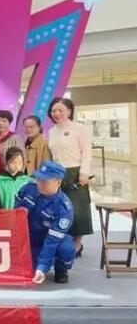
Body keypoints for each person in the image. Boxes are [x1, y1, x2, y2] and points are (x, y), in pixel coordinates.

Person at [15, 160, 75, 284]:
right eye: (38, 179)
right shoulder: (28, 189)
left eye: (45, 181)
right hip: (26, 238)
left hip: (47, 240)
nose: (39, 183)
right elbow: (13, 212)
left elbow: (52, 241)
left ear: (58, 182)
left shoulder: (64, 208)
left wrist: (42, 268)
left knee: (66, 249)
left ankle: (61, 268)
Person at [48, 97, 93, 257]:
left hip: (75, 172)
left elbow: (87, 151)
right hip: (57, 174)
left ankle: (77, 245)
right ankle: (63, 242)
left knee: (78, 209)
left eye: (60, 110)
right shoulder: (51, 131)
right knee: (61, 209)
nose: (56, 113)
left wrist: (84, 172)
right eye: (54, 111)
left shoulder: (79, 128)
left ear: (69, 111)